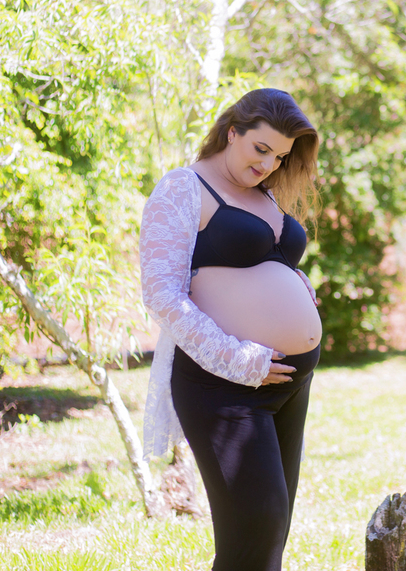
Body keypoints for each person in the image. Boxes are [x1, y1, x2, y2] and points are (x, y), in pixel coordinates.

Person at [139, 87, 322, 571]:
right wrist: (239, 360)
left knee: (270, 538)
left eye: (280, 157)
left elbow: (258, 263)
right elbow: (161, 293)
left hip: (285, 384)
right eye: (260, 149)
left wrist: (294, 284)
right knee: (253, 537)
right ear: (232, 131)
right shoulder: (184, 188)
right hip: (224, 387)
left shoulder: (262, 192)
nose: (268, 165)